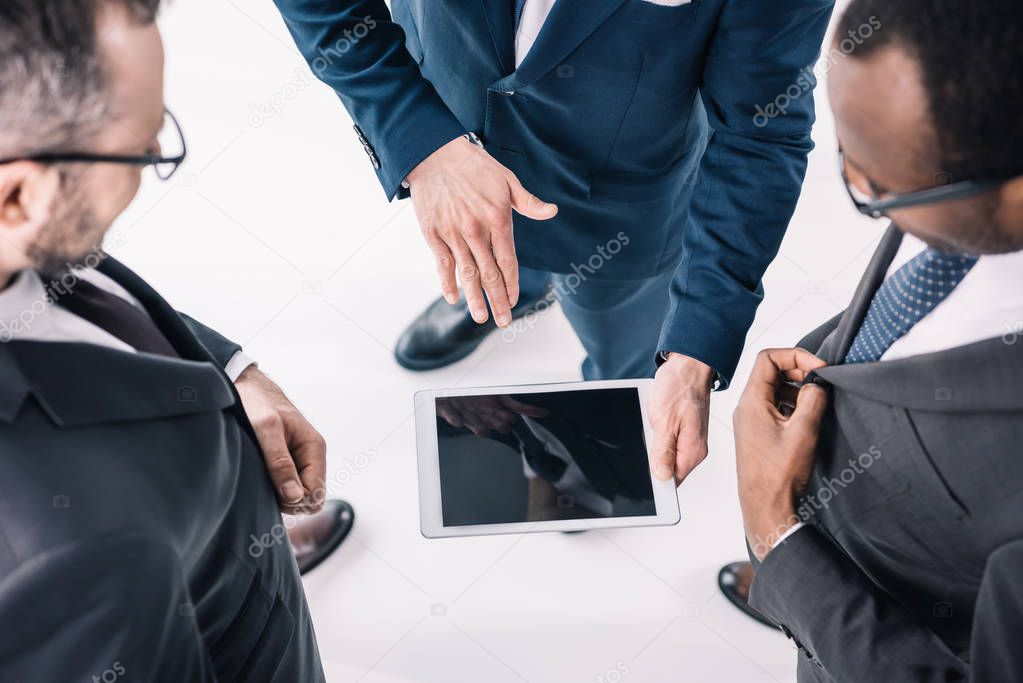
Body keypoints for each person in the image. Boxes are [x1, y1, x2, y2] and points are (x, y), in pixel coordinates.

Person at [272, 0, 835, 487]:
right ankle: (507, 296)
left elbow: (761, 135)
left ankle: (594, 455)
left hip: (621, 207)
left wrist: (695, 347)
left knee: (625, 368)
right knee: (482, 264)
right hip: (450, 139)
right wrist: (420, 142)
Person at [0, 1, 344, 678]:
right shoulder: (72, 561)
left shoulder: (24, 223)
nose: (156, 151)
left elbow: (72, 282)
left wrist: (231, 371)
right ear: (16, 196)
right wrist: (158, 555)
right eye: (140, 146)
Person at [725, 1, 1023, 679]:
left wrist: (780, 539)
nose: (856, 182)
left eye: (877, 188)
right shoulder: (973, 135)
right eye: (843, 151)